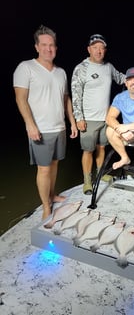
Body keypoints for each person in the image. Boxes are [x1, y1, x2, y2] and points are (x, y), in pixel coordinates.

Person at [13, 25, 78, 220]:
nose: (48, 49)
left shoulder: (61, 72)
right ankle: (45, 206)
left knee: (55, 164)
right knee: (43, 168)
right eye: (44, 45)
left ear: (56, 48)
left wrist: (72, 122)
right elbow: (20, 98)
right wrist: (30, 125)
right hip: (40, 129)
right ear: (36, 47)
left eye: (52, 45)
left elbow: (66, 99)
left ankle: (52, 194)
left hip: (59, 127)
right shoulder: (25, 68)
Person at [71, 34, 126, 195]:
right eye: (95, 47)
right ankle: (87, 181)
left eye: (102, 48)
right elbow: (75, 94)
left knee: (102, 147)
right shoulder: (81, 68)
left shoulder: (108, 66)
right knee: (88, 150)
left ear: (105, 50)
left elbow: (120, 77)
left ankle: (101, 174)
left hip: (106, 118)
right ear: (89, 49)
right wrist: (78, 118)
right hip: (88, 118)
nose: (99, 51)